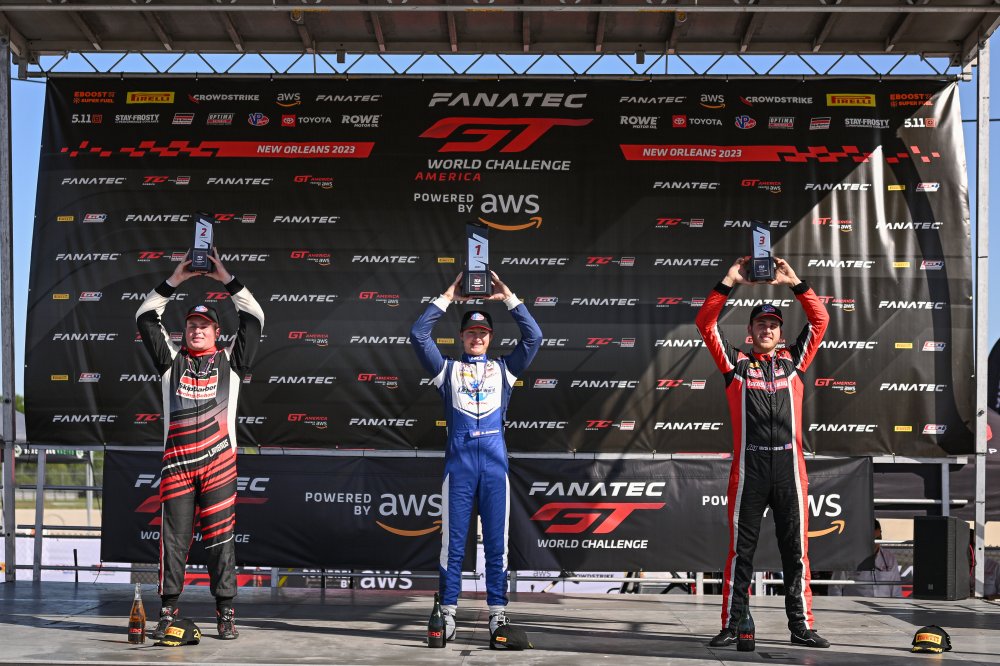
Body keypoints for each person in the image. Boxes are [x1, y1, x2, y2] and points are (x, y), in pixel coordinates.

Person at [695, 256, 831, 649]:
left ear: (780, 332)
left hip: (790, 470)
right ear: (750, 331)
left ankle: (801, 627)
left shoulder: (794, 361)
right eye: (760, 324)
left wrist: (794, 283)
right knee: (741, 553)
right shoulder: (735, 364)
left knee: (796, 552)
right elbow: (705, 323)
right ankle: (732, 624)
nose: (767, 329)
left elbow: (820, 320)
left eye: (773, 324)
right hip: (749, 470)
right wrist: (729, 280)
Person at [135, 249, 264, 641]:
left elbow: (254, 317)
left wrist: (225, 277)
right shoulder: (170, 362)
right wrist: (176, 279)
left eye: (204, 326)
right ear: (184, 331)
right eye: (192, 324)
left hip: (219, 466)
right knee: (172, 542)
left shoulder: (232, 363)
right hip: (177, 466)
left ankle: (225, 614)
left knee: (221, 541)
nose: (197, 330)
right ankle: (167, 612)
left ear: (216, 332)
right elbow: (145, 317)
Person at [409, 271, 542, 641]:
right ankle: (448, 613)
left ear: (491, 337)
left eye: (483, 333)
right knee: (452, 547)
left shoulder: (505, 369)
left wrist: (509, 297)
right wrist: (448, 296)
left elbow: (534, 337)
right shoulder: (447, 370)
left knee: (497, 546)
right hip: (460, 467)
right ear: (462, 336)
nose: (477, 337)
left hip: (495, 468)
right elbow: (418, 334)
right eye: (471, 332)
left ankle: (497, 614)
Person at [830, 519, 902, 598]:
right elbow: (835, 588)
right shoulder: (848, 558)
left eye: (878, 538)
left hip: (883, 605)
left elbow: (896, 591)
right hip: (854, 605)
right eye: (871, 539)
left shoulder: (890, 559)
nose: (875, 543)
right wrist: (838, 605)